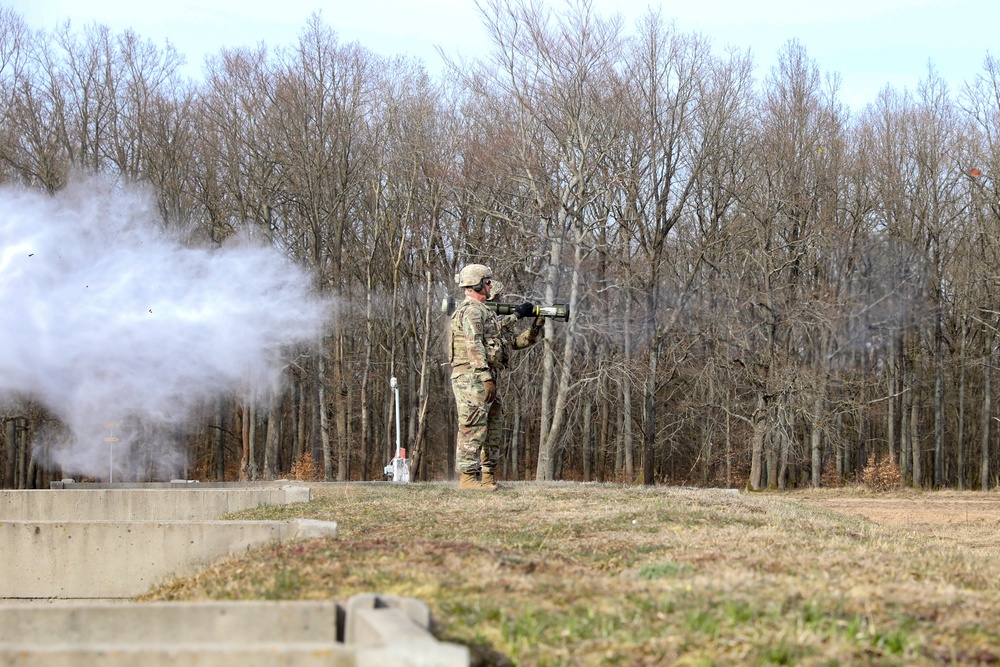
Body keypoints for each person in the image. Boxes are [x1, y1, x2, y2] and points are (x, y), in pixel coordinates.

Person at [449, 264, 544, 490]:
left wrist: (535, 327)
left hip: (485, 375)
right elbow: (474, 345)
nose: (491, 285)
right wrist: (483, 375)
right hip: (472, 377)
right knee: (472, 426)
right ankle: (469, 480)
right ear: (478, 284)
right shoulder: (471, 311)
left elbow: (513, 342)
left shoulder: (485, 311)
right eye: (488, 281)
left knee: (492, 427)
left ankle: (489, 477)